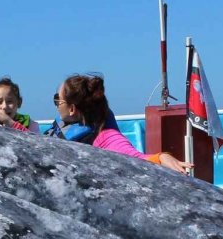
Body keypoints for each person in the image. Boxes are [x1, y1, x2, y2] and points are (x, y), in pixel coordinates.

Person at [53, 74, 191, 173]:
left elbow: (135, 157)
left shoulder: (105, 137)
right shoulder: (62, 127)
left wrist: (161, 157)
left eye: (57, 100)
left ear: (71, 109)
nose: (56, 105)